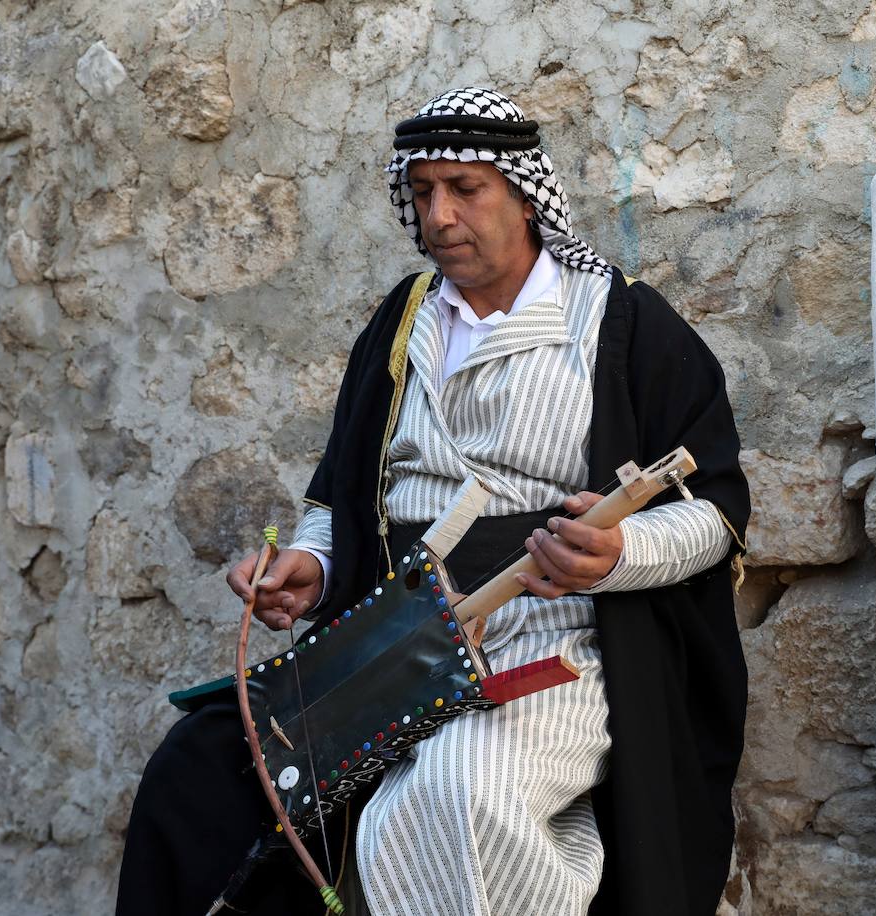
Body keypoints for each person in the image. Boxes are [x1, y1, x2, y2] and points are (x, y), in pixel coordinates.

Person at [117, 87, 750, 916]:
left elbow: (715, 512)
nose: (440, 215)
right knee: (200, 766)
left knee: (460, 792)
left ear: (524, 192)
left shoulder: (620, 323)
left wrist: (618, 554)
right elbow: (344, 492)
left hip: (554, 645)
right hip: (395, 642)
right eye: (421, 193)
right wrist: (313, 560)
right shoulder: (402, 324)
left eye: (465, 188)